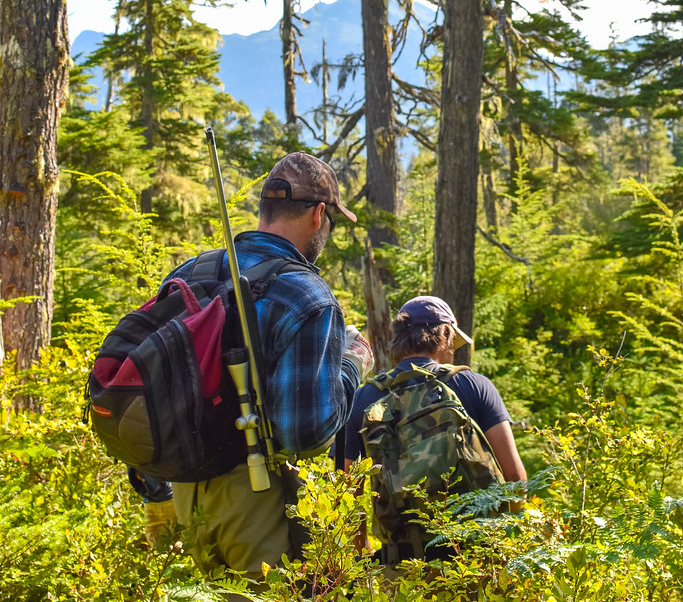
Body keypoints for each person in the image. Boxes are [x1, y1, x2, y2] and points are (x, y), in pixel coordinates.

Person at [139, 152, 374, 590]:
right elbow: (305, 434)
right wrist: (352, 364)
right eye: (331, 222)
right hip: (257, 500)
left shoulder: (191, 272)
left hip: (184, 493)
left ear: (265, 209)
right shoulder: (308, 296)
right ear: (320, 214)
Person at [344, 295, 526, 563]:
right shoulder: (474, 385)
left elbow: (348, 489)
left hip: (401, 569)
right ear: (445, 334)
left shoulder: (365, 397)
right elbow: (515, 477)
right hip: (476, 562)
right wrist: (511, 546)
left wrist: (363, 555)